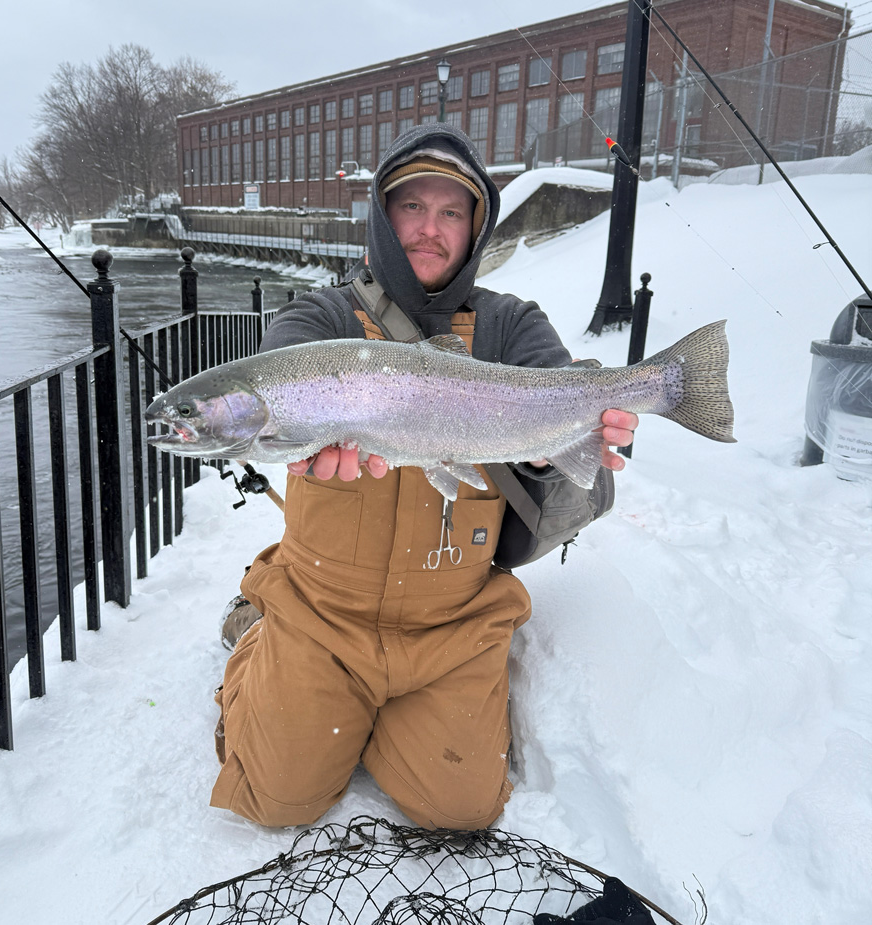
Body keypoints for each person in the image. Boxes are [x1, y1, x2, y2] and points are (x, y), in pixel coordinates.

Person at [210, 123, 638, 831]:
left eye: (451, 211)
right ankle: (260, 628)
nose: (429, 230)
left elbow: (559, 385)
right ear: (383, 215)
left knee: (459, 812)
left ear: (476, 227)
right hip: (324, 612)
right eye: (412, 207)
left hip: (453, 621)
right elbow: (284, 356)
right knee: (275, 798)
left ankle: (363, 713)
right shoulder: (322, 316)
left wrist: (567, 436)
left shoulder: (512, 325)